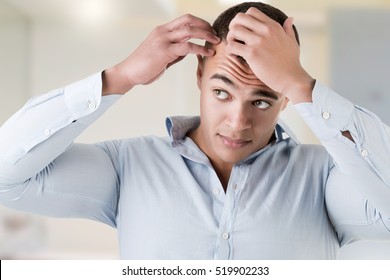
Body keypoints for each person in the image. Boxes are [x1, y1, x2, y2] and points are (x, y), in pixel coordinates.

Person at [0, 1, 389, 259]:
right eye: (222, 91)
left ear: (285, 99)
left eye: (262, 100)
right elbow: (6, 174)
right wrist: (119, 77)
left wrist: (304, 86)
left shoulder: (324, 177)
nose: (237, 122)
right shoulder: (128, 166)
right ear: (200, 74)